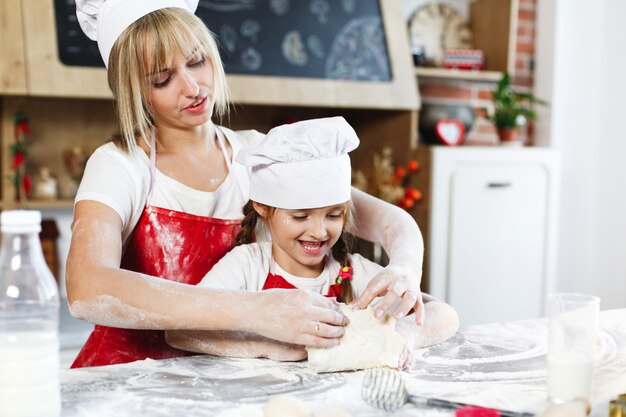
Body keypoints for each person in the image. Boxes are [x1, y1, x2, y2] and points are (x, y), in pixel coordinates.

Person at [67, 0, 426, 368]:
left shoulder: (259, 154)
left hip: (231, 373)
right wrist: (256, 311)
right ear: (134, 91)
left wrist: (404, 269)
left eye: (197, 61)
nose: (193, 87)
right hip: (132, 375)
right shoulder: (119, 165)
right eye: (163, 78)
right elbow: (88, 287)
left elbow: (387, 222)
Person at [166, 117, 459, 367]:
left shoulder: (348, 272)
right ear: (263, 208)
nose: (319, 232)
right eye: (301, 216)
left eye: (333, 215)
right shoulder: (247, 266)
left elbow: (445, 315)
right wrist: (265, 346)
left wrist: (405, 333)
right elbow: (181, 331)